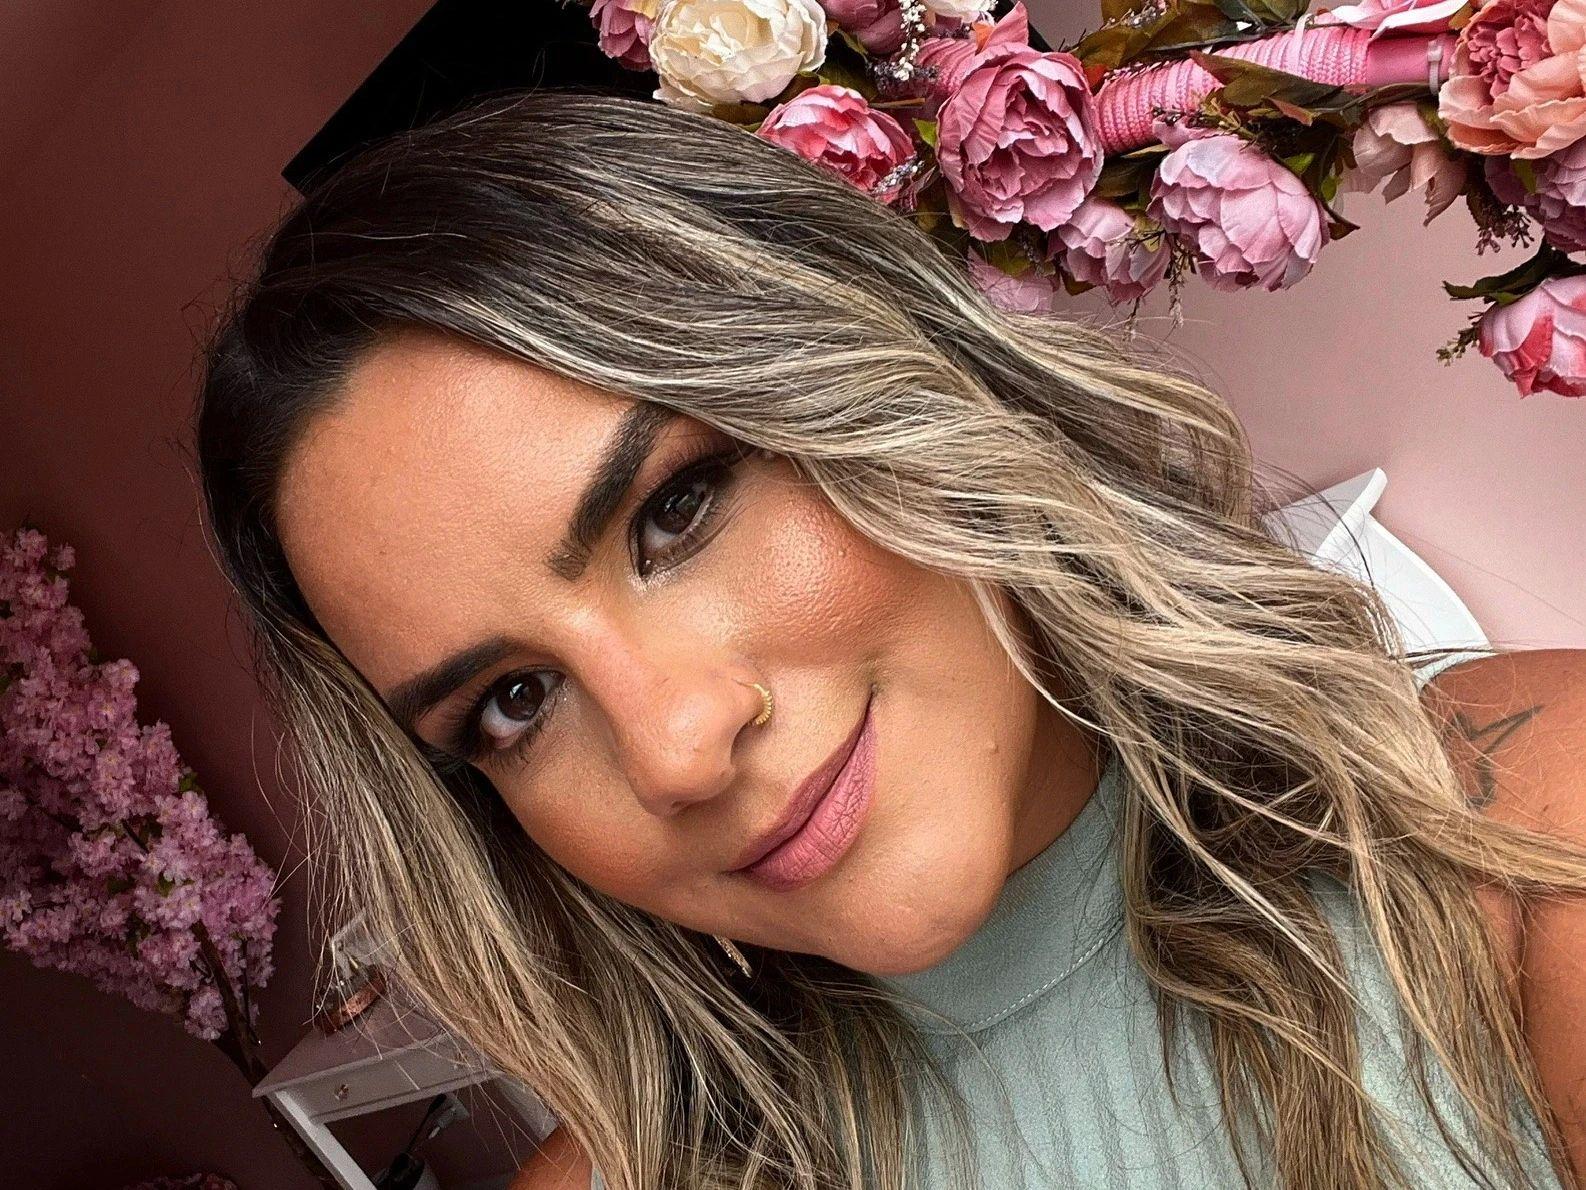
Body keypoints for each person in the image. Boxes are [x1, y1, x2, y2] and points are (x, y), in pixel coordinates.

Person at [193, 87, 1586, 1190]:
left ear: (891, 389)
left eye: (675, 510)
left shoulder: (1523, 851)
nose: (674, 749)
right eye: (512, 701)